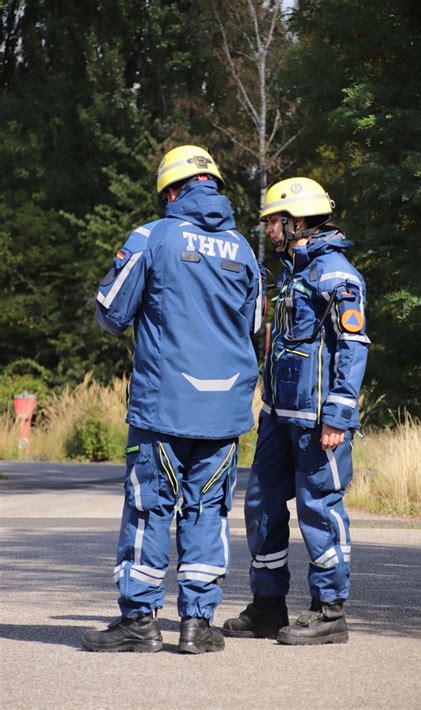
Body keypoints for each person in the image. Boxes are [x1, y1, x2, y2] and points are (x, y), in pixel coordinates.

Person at [81, 145, 263, 654]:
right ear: (214, 186)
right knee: (208, 512)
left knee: (148, 510)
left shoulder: (152, 236)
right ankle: (197, 626)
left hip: (164, 406)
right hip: (225, 411)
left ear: (169, 190)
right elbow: (251, 326)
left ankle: (140, 622)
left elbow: (112, 311)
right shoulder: (244, 249)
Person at [223, 177, 369, 645]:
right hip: (278, 414)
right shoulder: (292, 272)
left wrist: (338, 416)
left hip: (316, 420)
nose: (268, 228)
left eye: (273, 221)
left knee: (319, 508)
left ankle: (329, 611)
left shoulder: (337, 275)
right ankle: (268, 606)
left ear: (298, 220)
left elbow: (352, 348)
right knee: (262, 504)